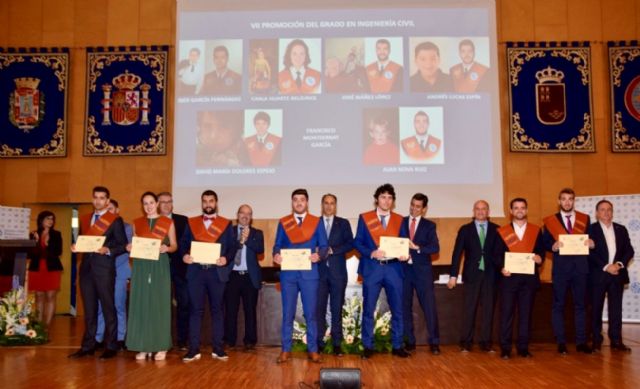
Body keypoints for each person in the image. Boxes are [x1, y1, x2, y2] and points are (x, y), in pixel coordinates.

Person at [68, 186, 127, 360]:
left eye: (102, 198)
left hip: (104, 270)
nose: (98, 201)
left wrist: (107, 250)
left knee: (109, 308)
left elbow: (123, 245)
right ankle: (88, 346)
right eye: (96, 197)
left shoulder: (115, 220)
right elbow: (82, 241)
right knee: (90, 310)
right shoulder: (85, 219)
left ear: (107, 201)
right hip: (86, 269)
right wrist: (75, 247)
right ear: (92, 199)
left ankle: (111, 346)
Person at [180, 190, 238, 362]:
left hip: (216, 272)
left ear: (216, 203)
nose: (208, 204)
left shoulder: (225, 224)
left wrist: (225, 258)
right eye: (205, 201)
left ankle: (218, 349)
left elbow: (232, 247)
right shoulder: (191, 223)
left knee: (217, 311)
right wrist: (184, 255)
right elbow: (183, 244)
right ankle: (193, 349)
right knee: (195, 311)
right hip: (196, 272)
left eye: (211, 201)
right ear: (202, 203)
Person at [354, 184, 410, 359]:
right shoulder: (365, 218)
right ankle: (368, 346)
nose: (386, 200)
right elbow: (358, 242)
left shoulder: (400, 220)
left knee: (398, 310)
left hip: (394, 268)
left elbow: (404, 242)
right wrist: (371, 252)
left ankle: (397, 345)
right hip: (373, 269)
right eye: (383, 197)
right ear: (377, 199)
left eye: (390, 197)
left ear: (393, 201)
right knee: (369, 309)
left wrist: (404, 255)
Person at [272, 189, 328, 364]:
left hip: (309, 273)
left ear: (307, 202)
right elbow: (277, 245)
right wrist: (276, 255)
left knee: (311, 314)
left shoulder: (316, 222)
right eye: (295, 200)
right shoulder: (284, 222)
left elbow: (324, 246)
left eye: (302, 200)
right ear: (292, 202)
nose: (298, 203)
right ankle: (285, 350)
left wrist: (319, 256)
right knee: (287, 313)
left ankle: (313, 349)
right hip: (288, 274)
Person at [543, 188, 595, 355]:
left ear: (574, 201)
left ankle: (581, 342)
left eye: (570, 199)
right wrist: (553, 246)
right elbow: (545, 243)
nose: (567, 202)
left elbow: (591, 239)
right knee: (558, 305)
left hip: (580, 268)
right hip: (561, 269)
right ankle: (561, 342)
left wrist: (592, 243)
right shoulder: (550, 221)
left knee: (580, 306)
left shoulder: (584, 219)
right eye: (564, 199)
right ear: (559, 201)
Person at [126, 192, 177, 361]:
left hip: (159, 265)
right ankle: (143, 345)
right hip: (141, 265)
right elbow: (135, 244)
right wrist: (129, 246)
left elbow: (174, 245)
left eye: (151, 202)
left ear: (157, 204)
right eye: (145, 203)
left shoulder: (167, 222)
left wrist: (167, 249)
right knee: (141, 303)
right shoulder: (137, 223)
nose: (148, 206)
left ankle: (160, 345)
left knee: (158, 304)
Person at [494, 198, 545, 359]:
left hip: (528, 280)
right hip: (509, 280)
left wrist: (539, 258)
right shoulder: (502, 231)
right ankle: (506, 348)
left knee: (525, 315)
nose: (519, 210)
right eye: (516, 208)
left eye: (522, 208)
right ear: (511, 211)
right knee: (507, 314)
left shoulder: (536, 231)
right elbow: (495, 255)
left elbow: (541, 253)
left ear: (526, 210)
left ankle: (523, 347)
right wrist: (501, 267)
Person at [448, 200, 500, 352]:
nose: (480, 211)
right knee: (469, 309)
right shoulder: (465, 229)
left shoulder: (497, 229)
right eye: (477, 209)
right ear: (473, 211)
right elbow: (457, 253)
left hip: (491, 275)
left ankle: (486, 343)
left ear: (488, 212)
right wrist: (453, 275)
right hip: (471, 275)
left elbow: (500, 253)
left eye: (483, 209)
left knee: (488, 310)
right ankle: (466, 343)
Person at [589, 200, 635, 352]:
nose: (606, 213)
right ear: (597, 213)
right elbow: (589, 253)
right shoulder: (590, 230)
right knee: (596, 308)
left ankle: (616, 340)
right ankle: (596, 340)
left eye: (609, 209)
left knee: (616, 309)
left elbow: (629, 250)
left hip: (617, 274)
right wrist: (606, 266)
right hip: (598, 276)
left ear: (612, 212)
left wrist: (619, 265)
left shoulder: (621, 229)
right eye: (602, 210)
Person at [400, 193, 441, 355]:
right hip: (403, 271)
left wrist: (417, 247)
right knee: (404, 307)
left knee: (429, 307)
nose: (414, 208)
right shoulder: (400, 222)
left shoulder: (429, 226)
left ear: (424, 209)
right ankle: (409, 341)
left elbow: (435, 248)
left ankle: (434, 342)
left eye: (418, 206)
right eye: (412, 205)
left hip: (422, 272)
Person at [317, 194, 354, 356]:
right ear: (322, 205)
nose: (329, 206)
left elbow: (350, 243)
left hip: (337, 273)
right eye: (326, 203)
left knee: (336, 308)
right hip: (318, 273)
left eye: (332, 203)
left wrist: (333, 250)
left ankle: (337, 343)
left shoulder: (343, 223)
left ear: (336, 206)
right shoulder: (314, 222)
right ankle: (319, 342)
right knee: (318, 310)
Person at [224, 204, 264, 350]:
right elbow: (225, 249)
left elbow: (260, 249)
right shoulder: (229, 231)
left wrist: (246, 239)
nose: (245, 216)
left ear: (251, 217)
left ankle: (250, 341)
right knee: (230, 310)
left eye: (248, 214)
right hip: (232, 276)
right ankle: (229, 340)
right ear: (237, 215)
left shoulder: (257, 233)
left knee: (250, 310)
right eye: (242, 213)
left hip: (249, 277)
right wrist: (239, 240)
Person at [95, 199, 132, 351]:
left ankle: (120, 337)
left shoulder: (127, 227)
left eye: (112, 209)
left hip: (119, 271)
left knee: (118, 305)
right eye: (107, 209)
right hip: (102, 272)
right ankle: (99, 337)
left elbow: (125, 250)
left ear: (117, 210)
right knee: (101, 306)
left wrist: (108, 266)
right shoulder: (97, 227)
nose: (109, 212)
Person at [157, 191, 190, 351]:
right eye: (163, 202)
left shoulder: (183, 221)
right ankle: (160, 339)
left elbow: (187, 243)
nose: (166, 204)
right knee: (159, 305)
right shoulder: (152, 221)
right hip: (158, 268)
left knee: (184, 303)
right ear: (157, 204)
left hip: (180, 268)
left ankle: (182, 340)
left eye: (169, 201)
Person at [28, 211, 63, 331]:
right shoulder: (33, 234)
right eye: (48, 218)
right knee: (38, 296)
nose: (50, 221)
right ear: (41, 219)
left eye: (52, 219)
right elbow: (31, 254)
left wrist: (47, 244)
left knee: (50, 296)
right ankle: (38, 326)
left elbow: (58, 252)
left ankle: (46, 327)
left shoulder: (56, 234)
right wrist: (37, 242)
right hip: (37, 268)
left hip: (52, 268)